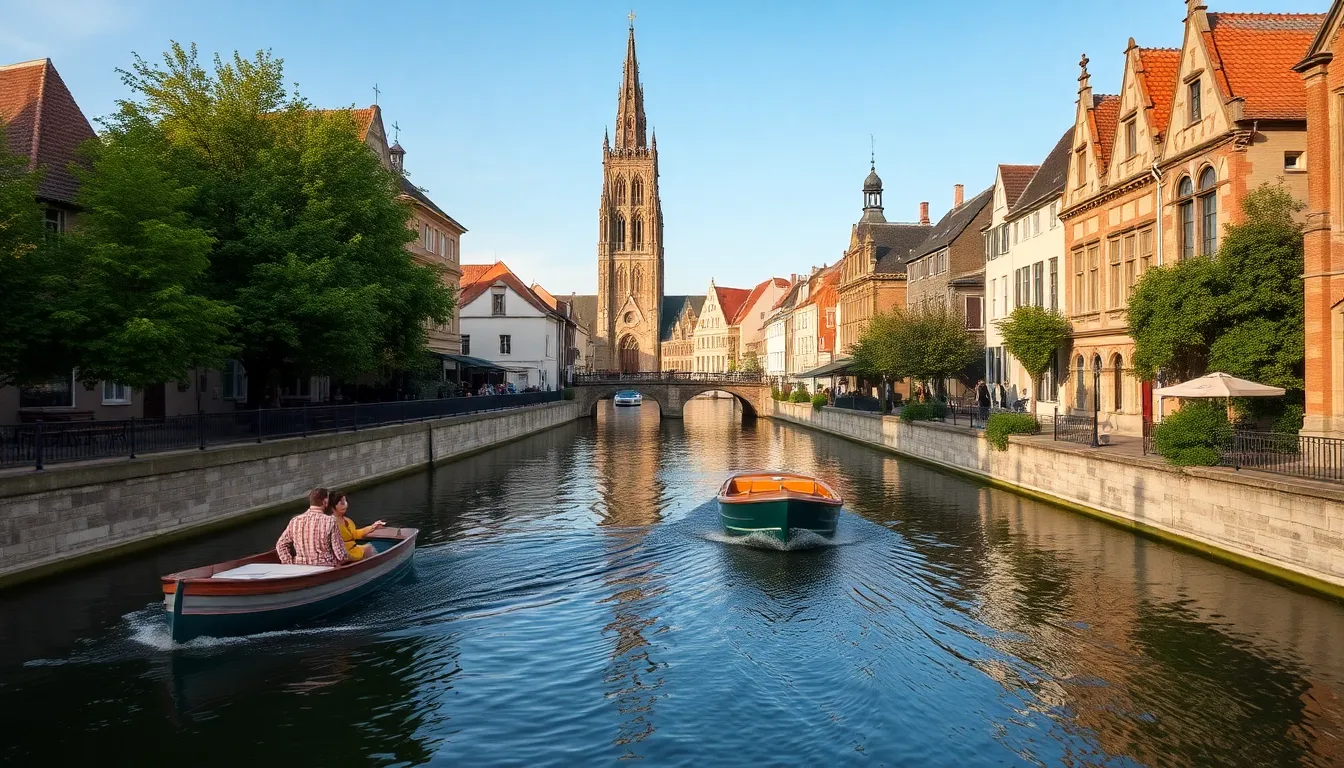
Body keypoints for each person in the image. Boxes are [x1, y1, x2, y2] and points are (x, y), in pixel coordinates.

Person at [276, 488, 348, 566]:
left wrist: (289, 563)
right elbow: (340, 555)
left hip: (300, 566)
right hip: (325, 566)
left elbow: (280, 545)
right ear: (325, 502)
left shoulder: (295, 520)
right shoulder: (330, 521)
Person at [327, 492, 385, 561]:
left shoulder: (347, 520)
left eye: (345, 502)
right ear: (332, 506)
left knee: (380, 545)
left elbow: (355, 534)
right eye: (342, 503)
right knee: (377, 549)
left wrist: (373, 527)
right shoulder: (330, 522)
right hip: (345, 555)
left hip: (353, 550)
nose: (345, 505)